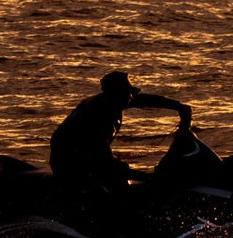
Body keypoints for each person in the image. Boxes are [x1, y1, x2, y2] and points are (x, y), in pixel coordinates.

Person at [49, 71, 192, 197]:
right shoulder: (99, 117)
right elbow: (100, 158)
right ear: (117, 94)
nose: (131, 97)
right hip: (70, 163)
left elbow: (145, 99)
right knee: (109, 193)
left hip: (88, 157)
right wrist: (144, 176)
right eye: (127, 93)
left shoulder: (114, 100)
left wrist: (178, 106)